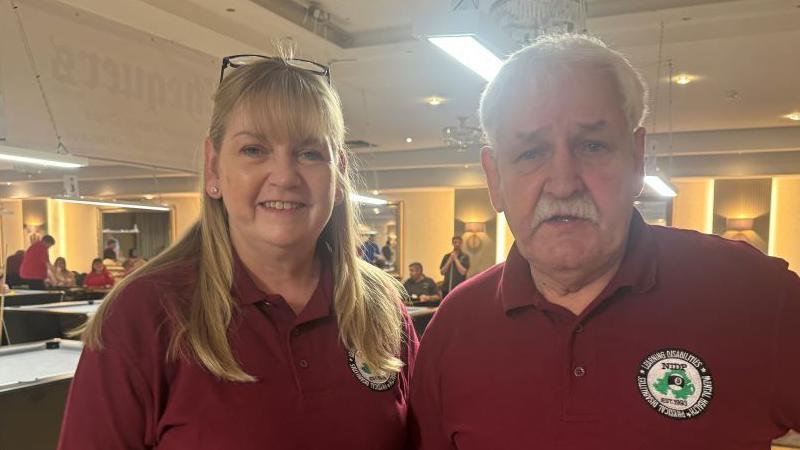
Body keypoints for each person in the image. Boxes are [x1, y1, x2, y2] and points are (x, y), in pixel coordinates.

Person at [409, 34, 800, 450]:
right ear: (494, 179)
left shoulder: (754, 294)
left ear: (636, 158)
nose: (562, 183)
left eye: (592, 145)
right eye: (530, 153)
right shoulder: (454, 326)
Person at [59, 54, 417, 450]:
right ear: (214, 168)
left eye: (311, 153)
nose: (284, 176)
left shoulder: (381, 306)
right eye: (254, 149)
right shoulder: (142, 314)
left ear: (337, 178)